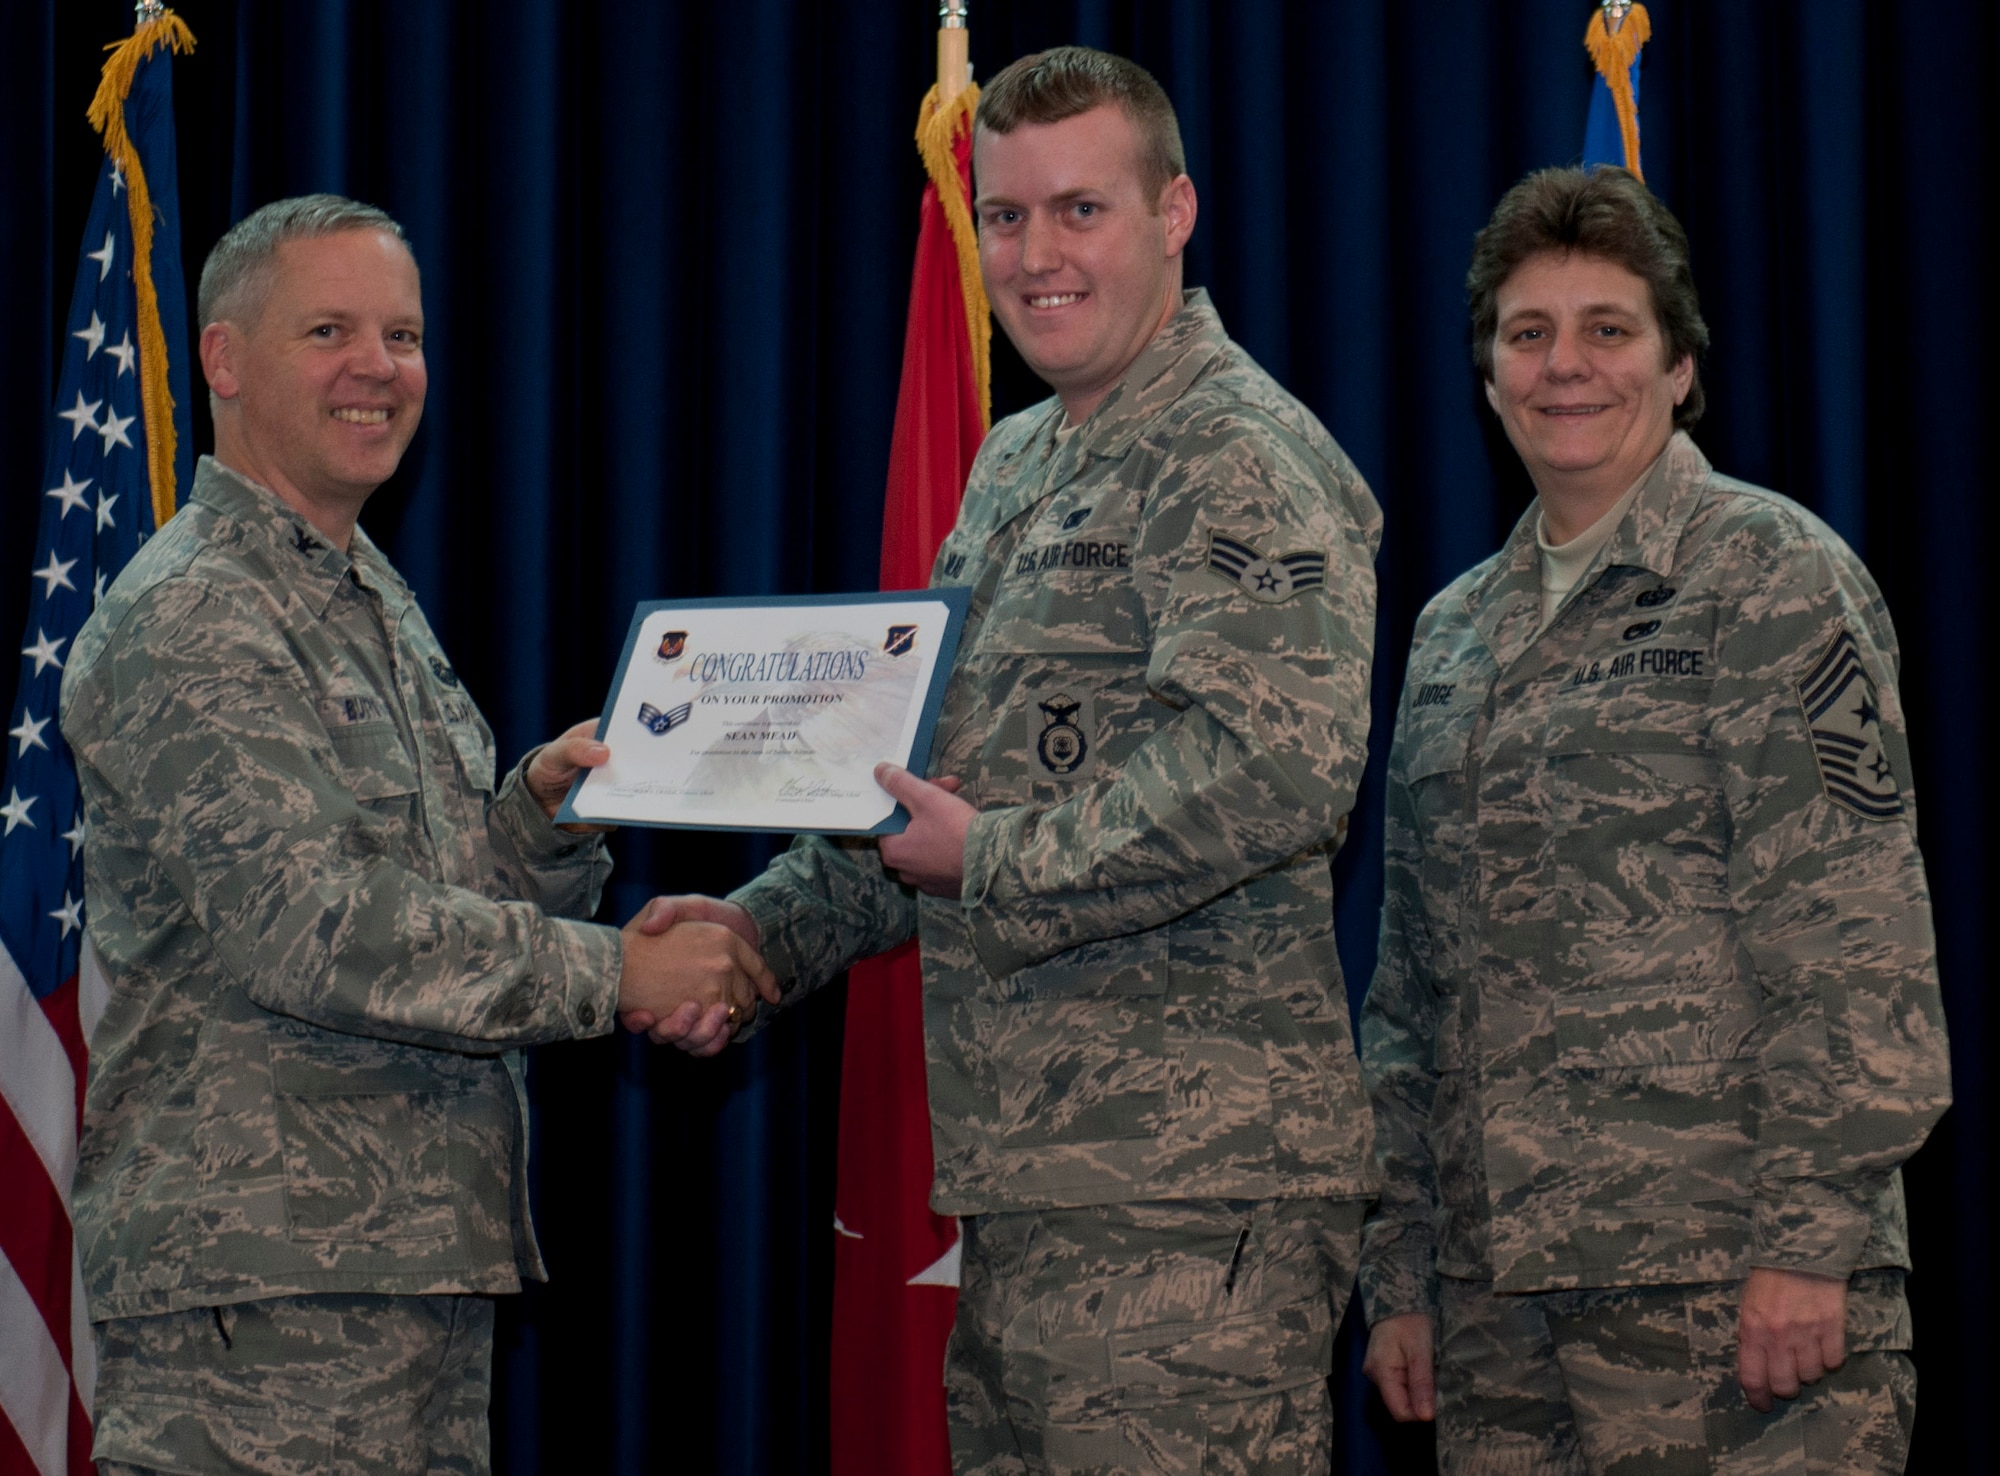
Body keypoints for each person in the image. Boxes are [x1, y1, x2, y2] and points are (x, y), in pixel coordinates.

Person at [632, 45, 1381, 1475]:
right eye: (1006, 217)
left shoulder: (1244, 458)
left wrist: (997, 860)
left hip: (1190, 1194)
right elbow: (922, 780)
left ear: (1176, 215)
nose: (1037, 256)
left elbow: (1268, 774)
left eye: (1080, 211)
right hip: (1042, 1185)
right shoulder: (1016, 467)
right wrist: (757, 939)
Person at [60, 194, 774, 1476]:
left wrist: (541, 827)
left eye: (402, 334)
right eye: (327, 329)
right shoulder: (193, 618)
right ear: (223, 360)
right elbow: (316, 932)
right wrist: (621, 974)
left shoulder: (363, 590)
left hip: (405, 1276)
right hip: (262, 1308)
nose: (377, 369)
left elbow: (427, 897)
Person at [1357, 165, 1951, 1473]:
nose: (1566, 366)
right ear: (1489, 368)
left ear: (1681, 366)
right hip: (1497, 1313)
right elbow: (1412, 986)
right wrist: (1399, 1265)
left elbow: (1856, 933)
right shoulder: (1454, 635)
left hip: (1732, 1303)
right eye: (1529, 333)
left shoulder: (1775, 578)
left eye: (1608, 329)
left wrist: (1809, 1242)